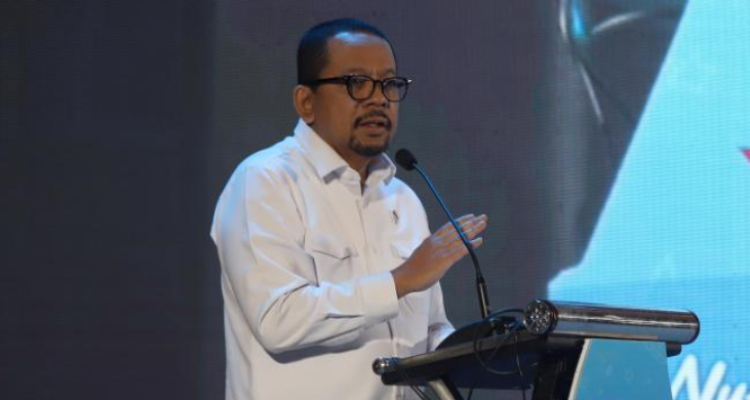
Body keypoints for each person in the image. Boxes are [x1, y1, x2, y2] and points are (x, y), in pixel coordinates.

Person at [210, 18, 488, 400]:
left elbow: (427, 332)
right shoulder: (264, 181)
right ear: (306, 102)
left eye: (389, 84)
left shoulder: (403, 199)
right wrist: (399, 281)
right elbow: (277, 319)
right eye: (357, 83)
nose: (379, 99)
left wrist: (487, 350)